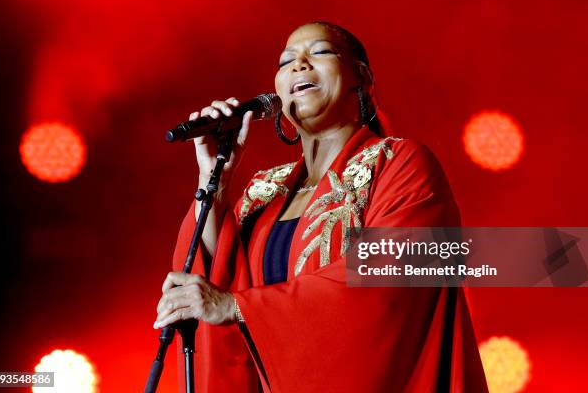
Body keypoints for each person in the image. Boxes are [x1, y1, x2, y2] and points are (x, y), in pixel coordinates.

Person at [154, 21, 488, 392]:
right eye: (286, 61)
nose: (298, 64)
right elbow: (216, 283)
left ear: (360, 77)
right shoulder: (264, 191)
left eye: (320, 52)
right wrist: (213, 179)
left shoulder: (400, 163)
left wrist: (237, 307)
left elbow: (387, 284)